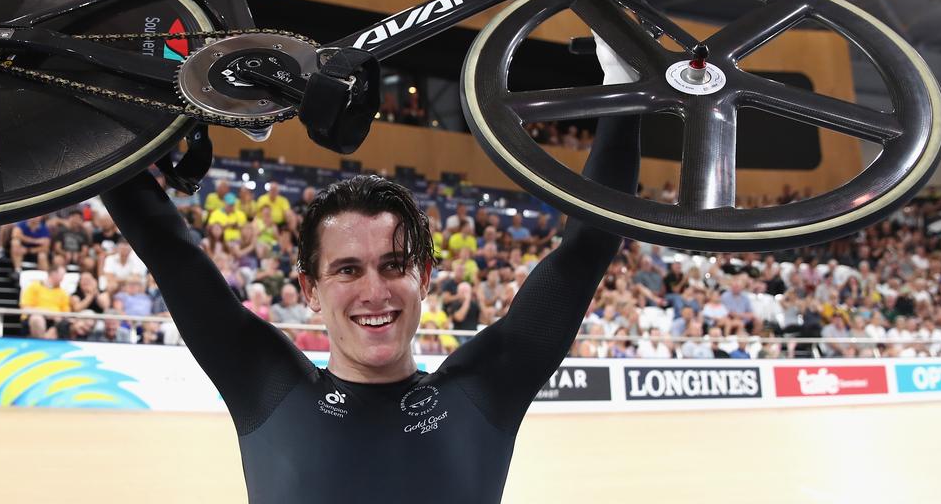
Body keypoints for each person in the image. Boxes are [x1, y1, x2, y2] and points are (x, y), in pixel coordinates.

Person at [99, 106, 639, 503]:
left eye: (394, 265)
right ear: (310, 289)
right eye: (347, 270)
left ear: (424, 278)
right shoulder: (265, 383)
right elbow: (170, 253)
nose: (374, 292)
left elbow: (586, 248)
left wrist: (623, 92)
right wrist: (91, 115)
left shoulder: (484, 390)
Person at [21, 261, 71, 339]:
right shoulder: (34, 286)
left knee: (63, 325)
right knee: (37, 319)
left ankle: (44, 342)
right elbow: (25, 308)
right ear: (53, 274)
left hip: (55, 322)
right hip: (35, 318)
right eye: (62, 275)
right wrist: (47, 313)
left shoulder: (63, 293)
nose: (63, 279)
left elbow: (66, 313)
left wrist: (57, 317)